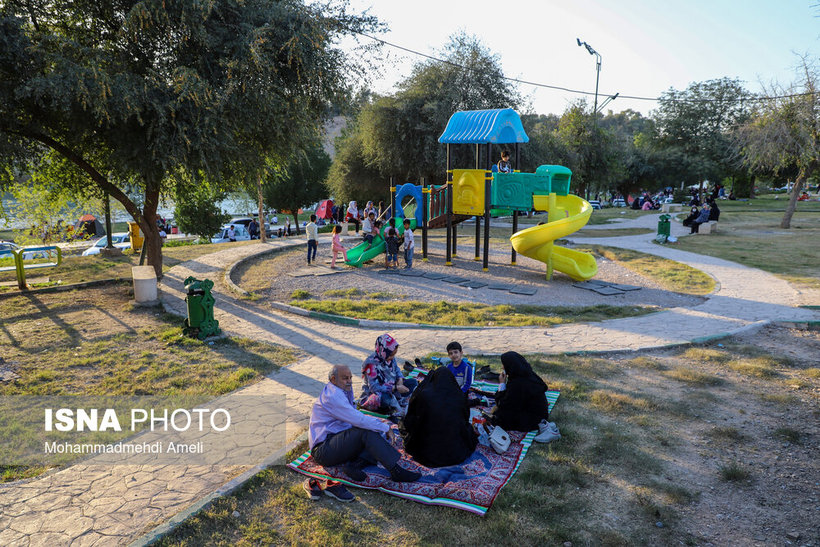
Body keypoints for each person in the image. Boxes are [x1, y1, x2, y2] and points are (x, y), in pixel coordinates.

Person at [308, 364, 421, 500]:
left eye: (350, 377)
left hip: (336, 440)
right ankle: (395, 471)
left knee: (373, 432)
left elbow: (355, 417)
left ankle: (353, 466)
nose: (349, 380)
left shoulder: (340, 390)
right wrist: (385, 428)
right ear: (333, 379)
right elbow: (358, 419)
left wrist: (380, 428)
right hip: (323, 450)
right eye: (345, 378)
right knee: (367, 432)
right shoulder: (333, 396)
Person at [402, 367, 478, 468]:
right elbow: (464, 419)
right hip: (455, 452)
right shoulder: (458, 395)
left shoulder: (425, 395)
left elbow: (412, 419)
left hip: (427, 452)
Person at [360, 334, 418, 416]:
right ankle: (391, 406)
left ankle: (396, 403)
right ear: (382, 350)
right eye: (391, 355)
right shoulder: (370, 363)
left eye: (394, 354)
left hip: (393, 390)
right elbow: (374, 387)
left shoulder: (389, 358)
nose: (392, 357)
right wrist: (395, 388)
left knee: (413, 383)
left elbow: (397, 370)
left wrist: (400, 380)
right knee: (385, 399)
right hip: (375, 395)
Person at [491, 351, 549, 432]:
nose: (502, 367)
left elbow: (503, 405)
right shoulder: (527, 374)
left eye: (504, 365)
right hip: (541, 414)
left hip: (533, 420)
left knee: (500, 417)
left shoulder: (517, 384)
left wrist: (502, 384)